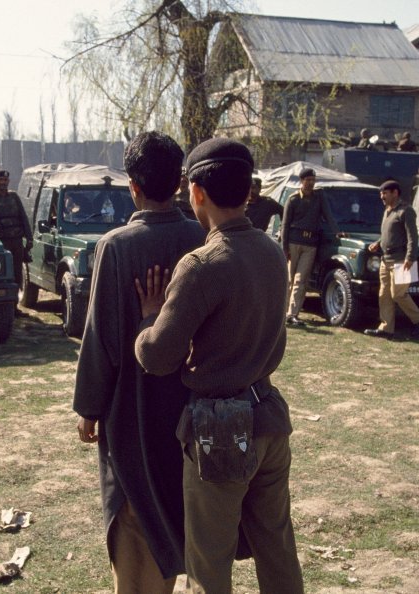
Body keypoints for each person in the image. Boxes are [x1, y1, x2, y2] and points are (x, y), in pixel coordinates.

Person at [133, 137, 303, 594]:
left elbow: (157, 356)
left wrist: (150, 316)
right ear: (248, 191)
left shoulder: (202, 264)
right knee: (277, 550)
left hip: (220, 429)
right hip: (269, 415)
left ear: (196, 193)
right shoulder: (271, 251)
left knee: (209, 566)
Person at [73, 131, 205, 594]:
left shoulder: (116, 246)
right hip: (190, 406)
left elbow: (101, 337)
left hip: (131, 408)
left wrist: (89, 407)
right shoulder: (202, 237)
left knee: (133, 512)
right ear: (180, 182)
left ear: (133, 186)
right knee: (176, 503)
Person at [364, 180, 419, 339]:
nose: (382, 196)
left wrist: (410, 257)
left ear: (395, 193)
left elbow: (412, 237)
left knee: (398, 294)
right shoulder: (387, 211)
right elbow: (389, 234)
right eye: (381, 193)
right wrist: (378, 244)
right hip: (386, 260)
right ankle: (386, 328)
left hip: (401, 260)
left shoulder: (406, 211)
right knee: (384, 294)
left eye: (385, 193)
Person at [281, 167, 343, 326]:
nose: (311, 183)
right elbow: (285, 225)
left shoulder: (319, 198)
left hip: (310, 244)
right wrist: (284, 248)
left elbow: (328, 215)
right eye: (308, 180)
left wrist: (337, 231)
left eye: (313, 180)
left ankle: (292, 314)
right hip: (293, 242)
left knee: (301, 281)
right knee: (288, 279)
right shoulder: (293, 199)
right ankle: (281, 313)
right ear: (301, 181)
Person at [0, 169, 32, 316]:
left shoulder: (14, 196)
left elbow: (23, 217)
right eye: (0, 180)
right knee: (1, 274)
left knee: (17, 274)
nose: (3, 183)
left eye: (5, 180)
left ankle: (14, 307)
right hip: (0, 243)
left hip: (16, 241)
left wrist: (29, 238)